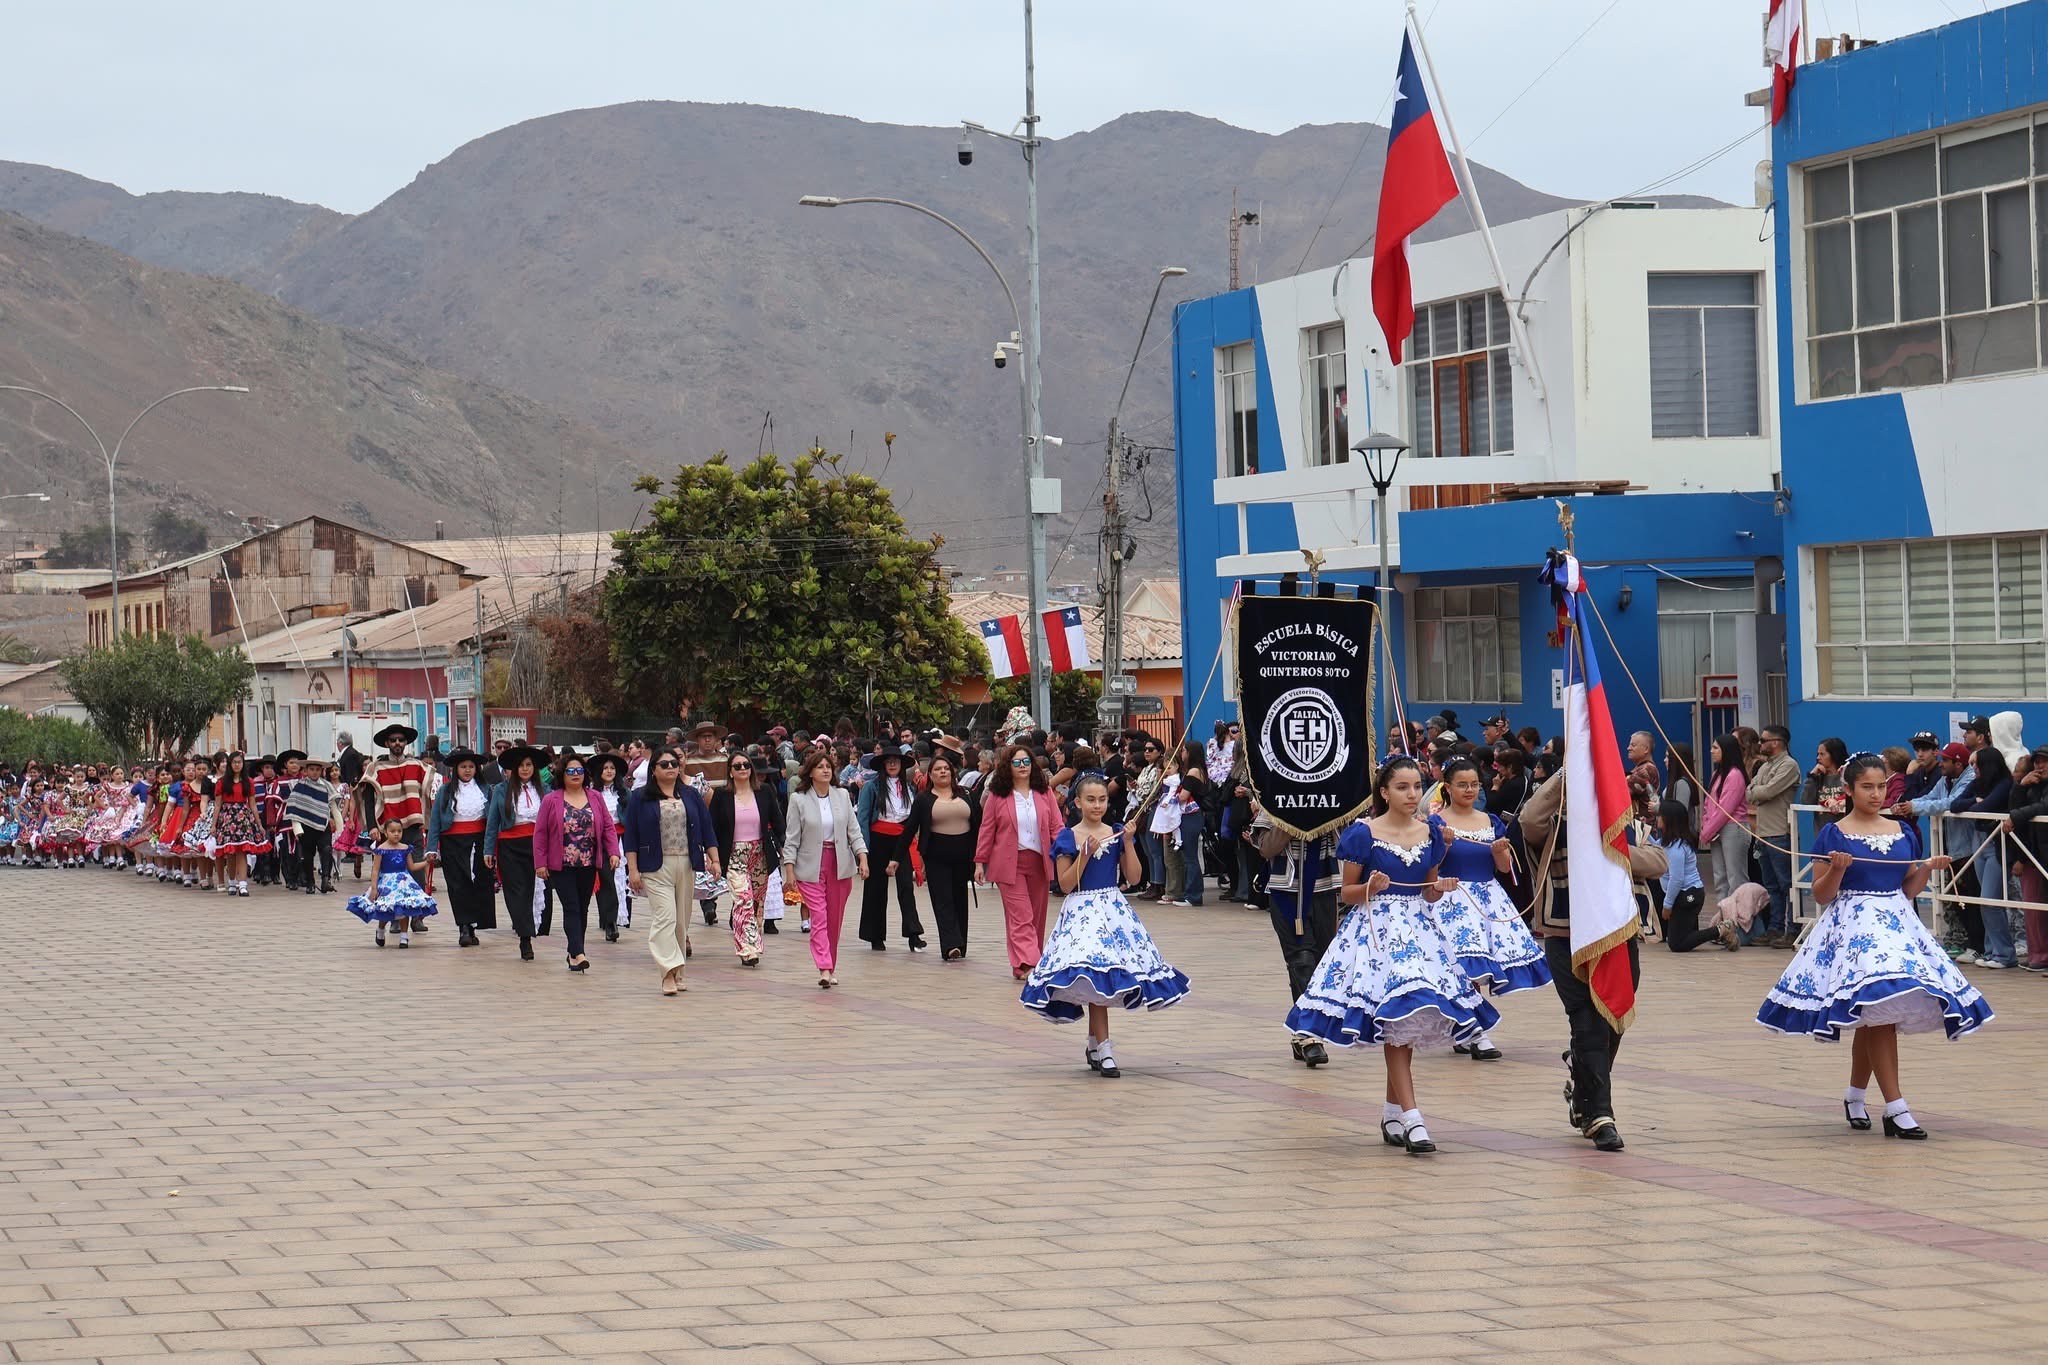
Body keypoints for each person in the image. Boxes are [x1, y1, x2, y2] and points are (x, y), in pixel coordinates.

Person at [1756, 752, 1992, 1138]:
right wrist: (1836, 868)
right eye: (1867, 787)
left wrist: (1927, 870)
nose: (1877, 793)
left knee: (1875, 1014)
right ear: (1848, 789)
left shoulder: (1904, 832)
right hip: (1853, 933)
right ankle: (1896, 1107)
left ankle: (1855, 1096)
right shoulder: (1833, 834)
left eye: (1881, 786)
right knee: (1877, 1012)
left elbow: (1907, 889)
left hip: (1897, 929)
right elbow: (1822, 895)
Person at [1285, 758, 1497, 1156]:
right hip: (1376, 937)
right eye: (1402, 787)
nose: (1412, 794)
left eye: (1417, 786)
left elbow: (1429, 889)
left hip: (1420, 934)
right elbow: (1345, 892)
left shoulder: (1431, 833)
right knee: (1397, 1021)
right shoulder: (1362, 834)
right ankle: (1412, 1118)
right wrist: (1369, 886)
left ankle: (1393, 1112)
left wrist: (1441, 887)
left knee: (1407, 1022)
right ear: (1384, 792)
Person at [1519, 765, 1667, 1154]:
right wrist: (1565, 776)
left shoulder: (1626, 824)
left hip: (1618, 936)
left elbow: (1658, 861)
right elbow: (1529, 820)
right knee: (1584, 1021)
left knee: (1613, 1018)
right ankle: (1601, 1116)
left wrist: (1611, 847)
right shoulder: (1556, 823)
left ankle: (1583, 1089)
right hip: (1566, 934)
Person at [1020, 773, 1189, 1076]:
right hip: (1082, 913)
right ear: (1077, 802)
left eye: (1102, 799)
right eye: (1091, 799)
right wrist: (1083, 856)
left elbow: (1135, 878)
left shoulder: (1116, 832)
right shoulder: (1068, 837)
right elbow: (1066, 884)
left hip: (1113, 913)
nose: (1097, 805)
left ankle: (1095, 1044)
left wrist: (1127, 843)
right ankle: (1105, 1049)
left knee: (1102, 978)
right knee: (1094, 976)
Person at [1432, 756, 1551, 1061]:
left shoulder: (1490, 821)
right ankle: (1474, 1031)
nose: (1469, 790)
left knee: (1479, 966)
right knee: (1465, 965)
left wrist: (1501, 853)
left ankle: (1467, 1028)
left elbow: (1504, 868)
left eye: (1474, 784)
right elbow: (1430, 868)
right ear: (1448, 787)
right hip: (1451, 900)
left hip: (1487, 900)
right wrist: (1442, 845)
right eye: (1462, 785)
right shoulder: (1437, 822)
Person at [621, 747, 717, 995]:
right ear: (654, 770)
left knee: (681, 922)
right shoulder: (641, 797)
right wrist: (632, 870)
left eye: (674, 763)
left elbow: (707, 828)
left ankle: (679, 971)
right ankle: (667, 973)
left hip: (686, 863)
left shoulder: (690, 795)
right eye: (664, 764)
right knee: (666, 917)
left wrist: (714, 860)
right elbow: (631, 836)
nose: (671, 768)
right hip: (655, 866)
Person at [975, 742, 1067, 981]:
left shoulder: (1044, 792)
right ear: (1008, 766)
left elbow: (1057, 826)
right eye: (1017, 762)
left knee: (1036, 916)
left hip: (1039, 861)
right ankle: (1033, 962)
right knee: (1021, 916)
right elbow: (987, 829)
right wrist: (979, 862)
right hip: (1009, 863)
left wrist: (1068, 849)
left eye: (1026, 761)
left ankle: (1022, 964)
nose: (1023, 766)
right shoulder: (998, 795)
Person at [782, 748, 870, 988]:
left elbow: (854, 831)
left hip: (839, 864)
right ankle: (823, 966)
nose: (825, 770)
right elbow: (791, 838)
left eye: (828, 767)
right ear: (810, 772)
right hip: (810, 865)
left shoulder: (841, 796)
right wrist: (789, 870)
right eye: (820, 767)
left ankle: (831, 966)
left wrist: (862, 858)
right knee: (818, 917)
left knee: (834, 919)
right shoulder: (798, 800)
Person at [536, 753, 620, 974]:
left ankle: (573, 954)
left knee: (582, 908)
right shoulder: (551, 800)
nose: (575, 775)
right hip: (560, 863)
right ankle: (578, 951)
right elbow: (541, 833)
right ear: (562, 774)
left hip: (589, 861)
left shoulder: (595, 797)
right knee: (571, 906)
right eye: (571, 771)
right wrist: (540, 863)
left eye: (579, 771)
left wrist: (613, 852)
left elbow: (608, 828)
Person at [710, 750, 786, 966]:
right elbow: (712, 828)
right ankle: (747, 949)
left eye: (746, 765)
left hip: (760, 854)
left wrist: (784, 846)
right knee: (742, 900)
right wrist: (712, 856)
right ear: (730, 772)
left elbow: (778, 822)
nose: (743, 769)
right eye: (737, 766)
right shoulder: (721, 795)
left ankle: (752, 939)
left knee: (755, 904)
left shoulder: (764, 792)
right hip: (734, 855)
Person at [855, 745, 926, 952]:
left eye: (896, 760)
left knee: (906, 886)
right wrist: (864, 852)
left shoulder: (909, 789)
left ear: (902, 765)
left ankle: (913, 934)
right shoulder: (872, 787)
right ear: (883, 765)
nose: (893, 764)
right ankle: (875, 936)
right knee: (876, 888)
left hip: (901, 839)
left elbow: (913, 819)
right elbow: (863, 818)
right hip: (878, 838)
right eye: (889, 761)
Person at [912, 749, 980, 961]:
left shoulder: (967, 794)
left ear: (952, 772)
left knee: (960, 899)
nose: (942, 772)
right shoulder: (924, 799)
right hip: (936, 855)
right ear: (930, 775)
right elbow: (910, 829)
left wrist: (981, 858)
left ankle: (961, 943)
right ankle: (950, 945)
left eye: (945, 769)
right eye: (937, 770)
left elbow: (978, 825)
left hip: (963, 854)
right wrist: (896, 858)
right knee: (943, 900)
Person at [425, 749, 495, 947]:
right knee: (458, 886)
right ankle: (463, 927)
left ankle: (473, 926)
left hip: (478, 841)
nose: (467, 770)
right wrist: (432, 847)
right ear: (456, 769)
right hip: (452, 843)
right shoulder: (445, 791)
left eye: (471, 767)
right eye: (463, 767)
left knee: (478, 884)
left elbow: (492, 819)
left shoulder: (485, 789)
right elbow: (436, 820)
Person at [485, 745, 547, 961]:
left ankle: (534, 927)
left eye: (529, 765)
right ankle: (525, 937)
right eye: (520, 765)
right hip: (510, 846)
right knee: (516, 892)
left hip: (537, 845)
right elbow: (493, 821)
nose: (525, 769)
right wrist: (488, 849)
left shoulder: (545, 789)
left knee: (534, 890)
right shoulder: (501, 790)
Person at [342, 817, 438, 948]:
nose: (396, 834)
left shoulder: (405, 848)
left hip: (404, 883)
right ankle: (381, 930)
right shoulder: (381, 849)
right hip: (387, 883)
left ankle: (404, 937)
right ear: (385, 833)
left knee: (405, 907)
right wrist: (374, 888)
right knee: (386, 909)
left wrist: (426, 862)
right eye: (393, 831)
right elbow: (375, 870)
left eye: (399, 831)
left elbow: (412, 866)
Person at [1746, 724, 1802, 948]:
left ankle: (1793, 928)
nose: (1760, 744)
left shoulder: (1789, 765)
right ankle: (1775, 928)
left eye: (1764, 740)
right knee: (1771, 885)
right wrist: (1757, 791)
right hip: (1764, 832)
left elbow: (1766, 791)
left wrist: (1757, 791)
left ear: (1776, 742)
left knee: (1787, 884)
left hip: (1780, 831)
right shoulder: (1765, 766)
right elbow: (1750, 791)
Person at [1653, 798, 1725, 952]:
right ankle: (1691, 931)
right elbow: (1653, 846)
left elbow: (1677, 879)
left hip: (1688, 895)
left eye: (1660, 815)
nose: (1657, 818)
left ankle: (1720, 930)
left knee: (1676, 944)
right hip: (1682, 895)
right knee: (1681, 935)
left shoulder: (1676, 849)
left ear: (1669, 820)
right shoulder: (1666, 843)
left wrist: (1667, 905)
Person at [682, 721, 731, 927]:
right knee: (703, 858)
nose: (708, 740)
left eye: (711, 736)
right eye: (703, 736)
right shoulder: (689, 762)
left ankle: (714, 897)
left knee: (721, 857)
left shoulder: (727, 760)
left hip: (723, 815)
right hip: (699, 815)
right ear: (698, 739)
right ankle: (708, 903)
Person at [1698, 735, 1752, 909]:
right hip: (1717, 830)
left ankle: (1740, 924)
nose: (1711, 751)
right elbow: (1709, 804)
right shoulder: (1717, 774)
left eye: (1715, 748)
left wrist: (1707, 832)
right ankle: (1723, 922)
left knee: (1736, 878)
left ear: (1726, 750)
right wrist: (1706, 825)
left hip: (1733, 828)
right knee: (1720, 878)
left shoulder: (1735, 775)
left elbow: (1726, 809)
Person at [586, 752, 633, 941]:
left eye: (612, 768)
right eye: (605, 768)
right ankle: (608, 920)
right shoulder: (590, 793)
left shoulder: (625, 793)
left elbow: (632, 818)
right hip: (599, 840)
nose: (609, 771)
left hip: (621, 839)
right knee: (605, 878)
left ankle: (613, 921)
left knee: (619, 880)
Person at [1163, 741, 1211, 907]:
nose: (1181, 753)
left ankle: (1193, 895)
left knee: (1191, 857)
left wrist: (1170, 798)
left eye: (1183, 750)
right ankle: (1190, 892)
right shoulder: (1199, 770)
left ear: (1190, 753)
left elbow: (1183, 796)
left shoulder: (1194, 771)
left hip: (1192, 816)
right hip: (1192, 816)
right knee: (1189, 856)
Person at [283, 759, 335, 897]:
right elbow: (293, 807)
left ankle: (325, 879)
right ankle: (310, 882)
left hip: (323, 824)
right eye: (311, 769)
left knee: (326, 849)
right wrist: (297, 828)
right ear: (306, 770)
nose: (314, 772)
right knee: (307, 854)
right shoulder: (299, 786)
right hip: (306, 825)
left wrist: (335, 820)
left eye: (317, 770)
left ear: (321, 771)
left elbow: (332, 805)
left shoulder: (326, 786)